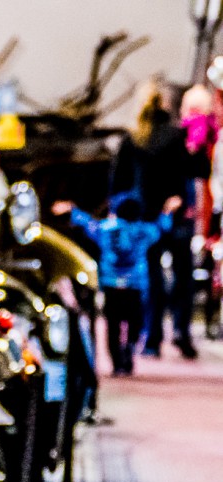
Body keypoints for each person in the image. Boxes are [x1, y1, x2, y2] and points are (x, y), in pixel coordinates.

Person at [110, 80, 209, 359]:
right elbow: (196, 170)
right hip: (175, 215)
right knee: (182, 278)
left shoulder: (132, 138)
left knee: (151, 280)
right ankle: (181, 332)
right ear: (165, 105)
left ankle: (151, 337)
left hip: (145, 218)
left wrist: (120, 213)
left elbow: (118, 181)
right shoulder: (177, 136)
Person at [52, 194, 181, 375]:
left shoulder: (105, 229)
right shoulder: (144, 231)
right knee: (135, 322)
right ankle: (128, 349)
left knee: (112, 324)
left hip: (111, 284)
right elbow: (161, 228)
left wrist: (72, 209)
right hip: (135, 285)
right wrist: (167, 211)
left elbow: (87, 222)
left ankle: (116, 361)